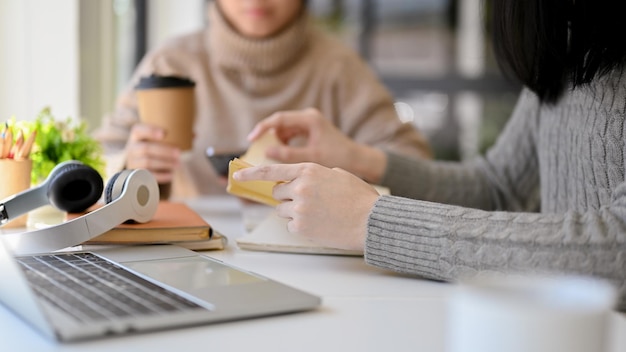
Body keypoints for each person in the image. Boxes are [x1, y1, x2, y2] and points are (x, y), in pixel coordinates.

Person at [233, 0, 626, 310]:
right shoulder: (571, 44)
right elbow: (498, 187)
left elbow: (615, 250)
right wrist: (360, 158)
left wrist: (371, 221)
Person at [94, 0, 431, 199]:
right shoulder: (171, 63)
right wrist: (125, 164)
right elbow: (90, 161)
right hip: (184, 254)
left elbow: (419, 169)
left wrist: (352, 163)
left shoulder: (340, 69)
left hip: (310, 258)